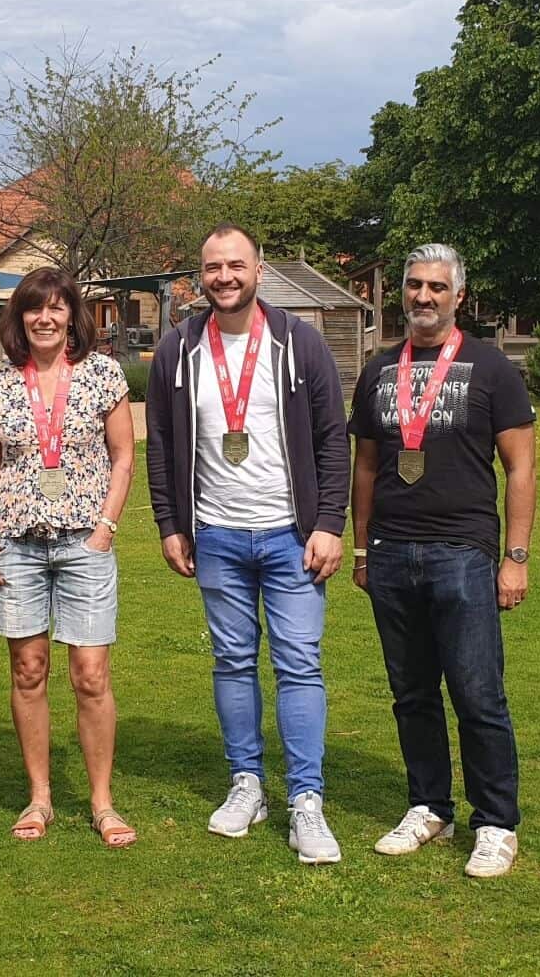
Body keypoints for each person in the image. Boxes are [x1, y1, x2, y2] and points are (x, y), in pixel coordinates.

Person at [145, 224, 351, 865]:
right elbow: (160, 442)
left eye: (236, 265)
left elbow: (331, 437)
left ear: (259, 269)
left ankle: (306, 800)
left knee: (300, 663)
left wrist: (330, 523)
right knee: (233, 661)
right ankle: (247, 784)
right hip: (217, 535)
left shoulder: (299, 342)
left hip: (293, 536)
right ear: (198, 276)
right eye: (212, 267)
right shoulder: (179, 350)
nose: (224, 277)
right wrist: (169, 523)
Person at [349, 243, 536, 878]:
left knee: (478, 693)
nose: (422, 297)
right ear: (401, 292)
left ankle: (496, 823)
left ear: (458, 296)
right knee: (411, 693)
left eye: (436, 287)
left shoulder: (492, 368)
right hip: (393, 553)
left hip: (464, 549)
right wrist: (362, 547)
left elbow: (521, 468)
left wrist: (515, 558)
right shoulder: (378, 371)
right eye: (413, 286)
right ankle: (429, 805)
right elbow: (367, 466)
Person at [0, 266, 138, 848]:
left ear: (71, 315)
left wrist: (105, 529)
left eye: (56, 307)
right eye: (34, 308)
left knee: (91, 674)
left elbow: (123, 458)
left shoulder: (102, 375)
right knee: (28, 669)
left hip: (83, 542)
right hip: (15, 542)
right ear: (19, 317)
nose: (45, 317)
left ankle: (102, 802)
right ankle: (39, 797)